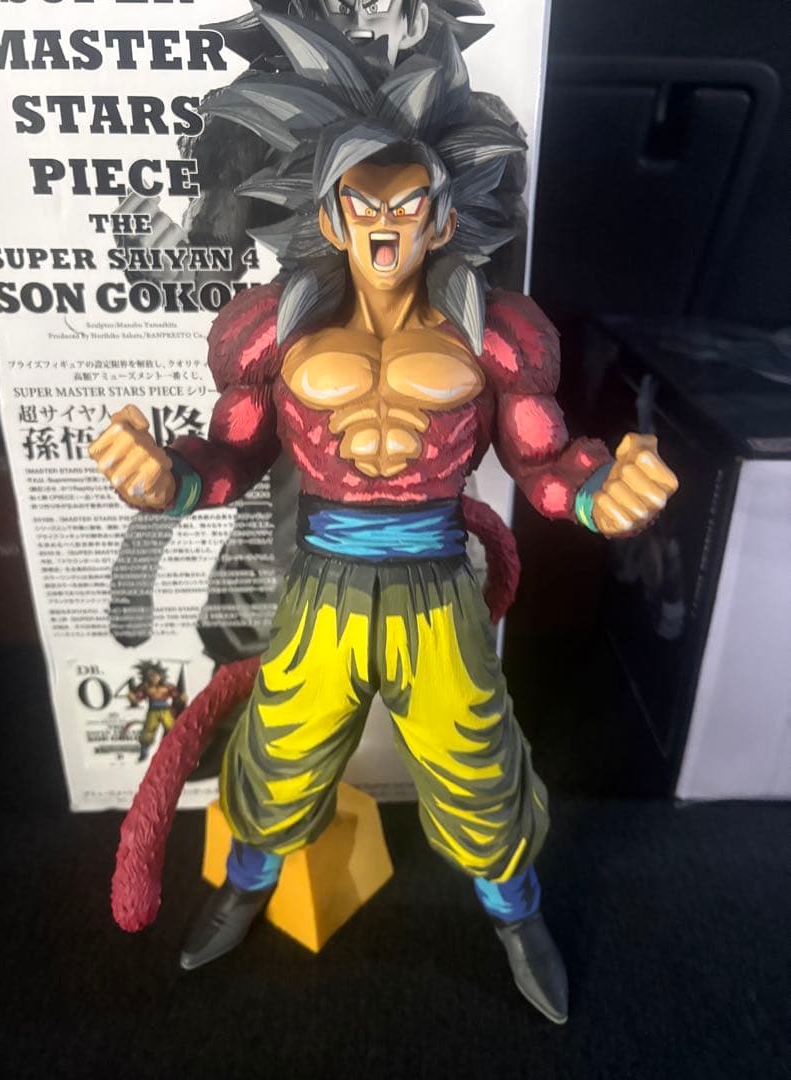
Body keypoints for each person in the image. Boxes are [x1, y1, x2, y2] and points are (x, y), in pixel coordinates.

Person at [90, 17, 678, 1024]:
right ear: (329, 216)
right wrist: (165, 480)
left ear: (441, 221)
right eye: (362, 203)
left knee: (480, 775)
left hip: (437, 589)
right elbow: (230, 457)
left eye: (408, 204)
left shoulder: (497, 337)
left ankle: (517, 916)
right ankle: (244, 888)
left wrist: (598, 494)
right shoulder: (270, 335)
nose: (384, 226)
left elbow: (542, 463)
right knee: (279, 761)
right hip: (320, 587)